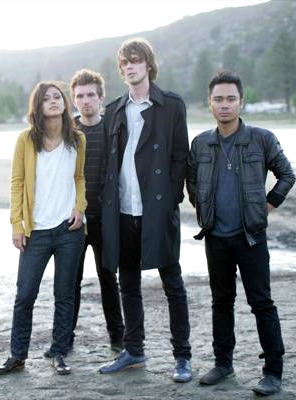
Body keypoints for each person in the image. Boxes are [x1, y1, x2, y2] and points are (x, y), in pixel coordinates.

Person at [187, 71, 296, 396]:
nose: (225, 105)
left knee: (261, 302)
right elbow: (191, 180)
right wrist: (204, 210)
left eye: (230, 99)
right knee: (221, 302)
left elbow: (286, 175)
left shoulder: (261, 138)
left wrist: (267, 205)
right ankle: (223, 363)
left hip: (251, 237)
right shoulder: (201, 143)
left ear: (241, 102)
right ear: (210, 103)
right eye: (218, 99)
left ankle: (272, 371)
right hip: (215, 238)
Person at [98, 38, 192, 382]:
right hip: (123, 210)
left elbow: (180, 156)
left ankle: (182, 357)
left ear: (149, 65)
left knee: (172, 285)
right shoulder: (114, 109)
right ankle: (134, 350)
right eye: (124, 63)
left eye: (135, 61)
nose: (129, 67)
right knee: (128, 283)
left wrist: (170, 199)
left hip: (156, 208)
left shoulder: (171, 105)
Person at [0, 81, 86, 376]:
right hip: (35, 231)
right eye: (47, 98)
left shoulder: (77, 139)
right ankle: (17, 356)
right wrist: (16, 224)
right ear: (38, 106)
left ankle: (58, 353)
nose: (54, 101)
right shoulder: (25, 140)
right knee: (25, 295)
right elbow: (17, 182)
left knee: (65, 295)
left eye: (58, 96)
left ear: (65, 103)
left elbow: (79, 178)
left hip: (69, 230)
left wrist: (80, 208)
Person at [62, 69, 124, 353]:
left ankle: (117, 337)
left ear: (101, 98)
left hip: (106, 218)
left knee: (108, 278)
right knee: (70, 281)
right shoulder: (68, 132)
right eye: (80, 96)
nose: (85, 101)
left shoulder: (113, 129)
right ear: (74, 100)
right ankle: (65, 337)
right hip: (73, 218)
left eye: (90, 95)